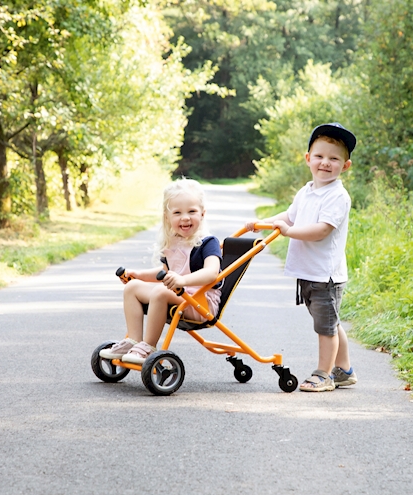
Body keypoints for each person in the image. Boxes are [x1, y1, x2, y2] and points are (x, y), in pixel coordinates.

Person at [246, 122, 358, 392]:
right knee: (330, 322)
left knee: (325, 328)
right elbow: (288, 216)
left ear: (345, 165)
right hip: (309, 272)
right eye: (319, 156)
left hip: (325, 275)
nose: (325, 163)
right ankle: (344, 370)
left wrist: (289, 232)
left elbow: (321, 231)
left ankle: (324, 374)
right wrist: (265, 223)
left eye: (334, 158)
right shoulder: (306, 191)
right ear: (308, 159)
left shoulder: (337, 197)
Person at [100, 178, 222, 364]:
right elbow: (165, 271)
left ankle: (148, 346)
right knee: (132, 287)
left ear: (203, 214)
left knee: (160, 291)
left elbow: (212, 273)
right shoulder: (173, 241)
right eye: (177, 212)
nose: (185, 217)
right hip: (178, 295)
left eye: (192, 211)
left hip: (200, 302)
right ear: (167, 217)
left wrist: (182, 281)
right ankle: (133, 340)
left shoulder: (208, 242)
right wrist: (139, 275)